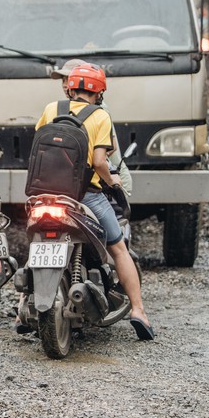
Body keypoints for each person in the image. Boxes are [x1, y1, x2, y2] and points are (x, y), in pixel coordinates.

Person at [34, 64, 154, 340]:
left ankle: (20, 310)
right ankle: (138, 310)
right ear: (98, 92)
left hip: (47, 194)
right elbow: (101, 162)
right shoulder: (100, 116)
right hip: (87, 196)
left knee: (37, 243)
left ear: (70, 87)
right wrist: (112, 183)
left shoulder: (52, 108)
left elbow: (39, 146)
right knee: (119, 249)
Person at [50, 59, 132, 195]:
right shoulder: (61, 107)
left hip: (110, 178)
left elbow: (110, 150)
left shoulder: (98, 108)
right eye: (63, 80)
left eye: (69, 79)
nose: (65, 85)